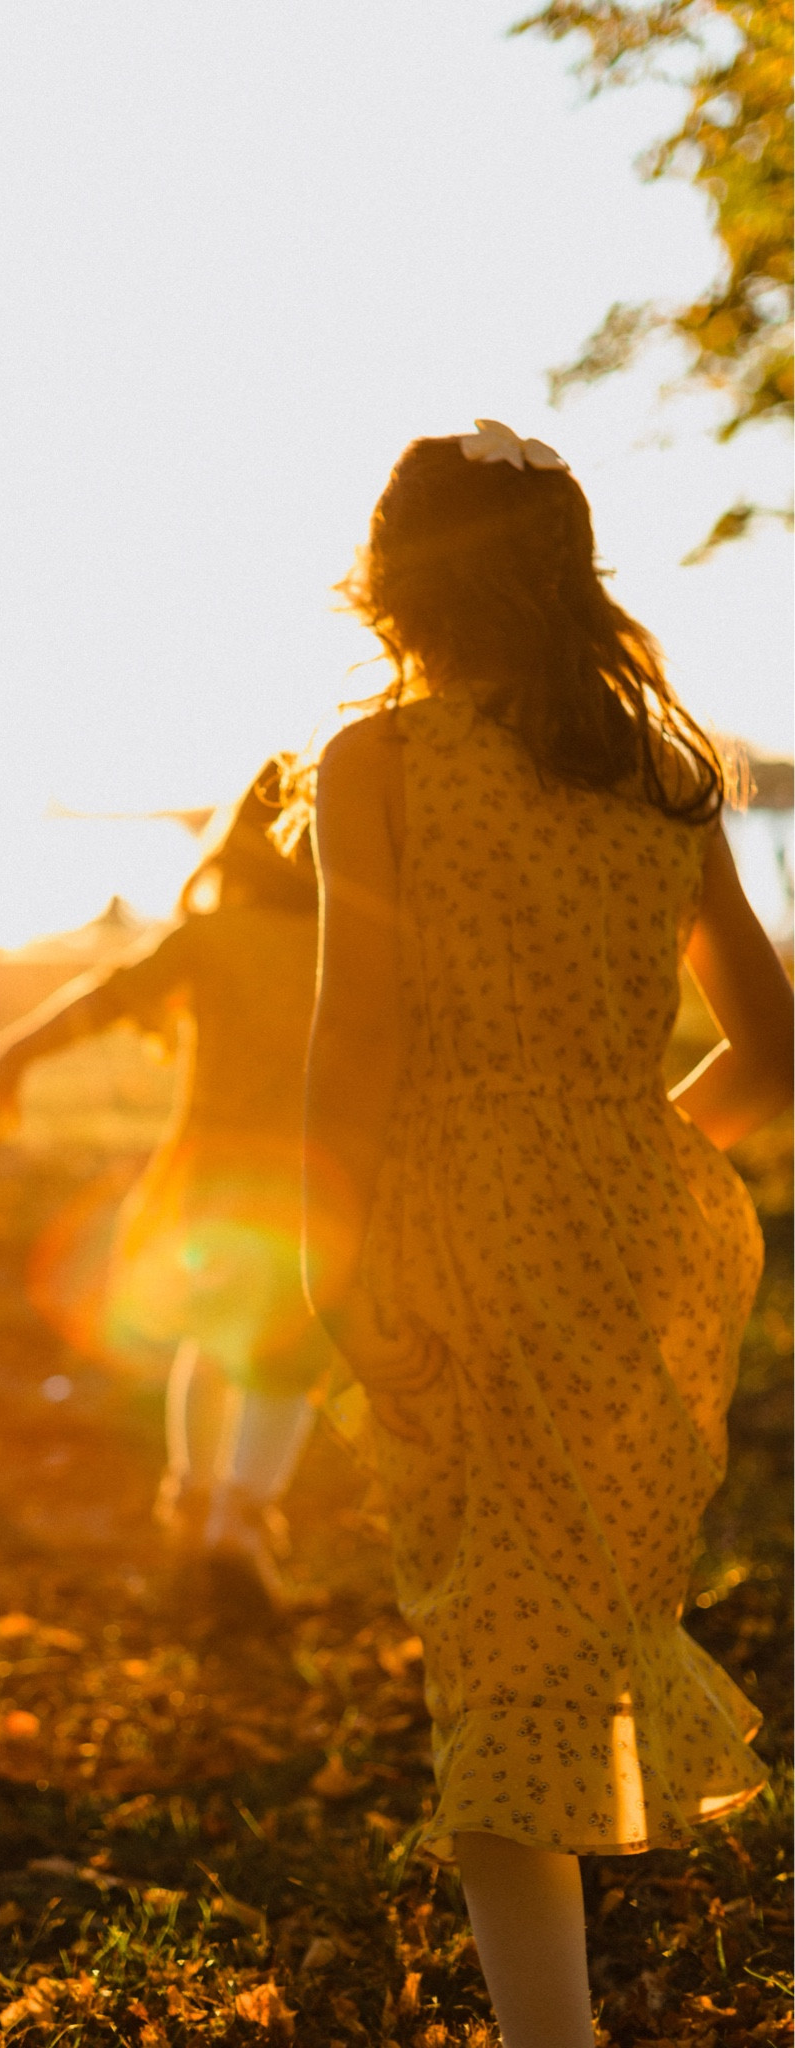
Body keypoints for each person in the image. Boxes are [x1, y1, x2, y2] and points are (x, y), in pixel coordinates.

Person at [298, 420, 794, 2048]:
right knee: (566, 1602)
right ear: (566, 570)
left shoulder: (377, 760)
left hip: (457, 1213)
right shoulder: (663, 767)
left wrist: (325, 1254)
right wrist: (637, 1143)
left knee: (497, 1637)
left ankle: (546, 2027)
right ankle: (557, 1989)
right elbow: (775, 1049)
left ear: (396, 580)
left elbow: (356, 1041)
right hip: (638, 1222)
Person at [0, 763, 334, 1610]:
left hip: (203, 1183)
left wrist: (10, 1056)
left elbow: (101, 998)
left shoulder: (210, 938)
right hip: (310, 1188)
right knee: (286, 1362)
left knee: (210, 1341)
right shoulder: (350, 946)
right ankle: (241, 1515)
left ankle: (194, 1501)